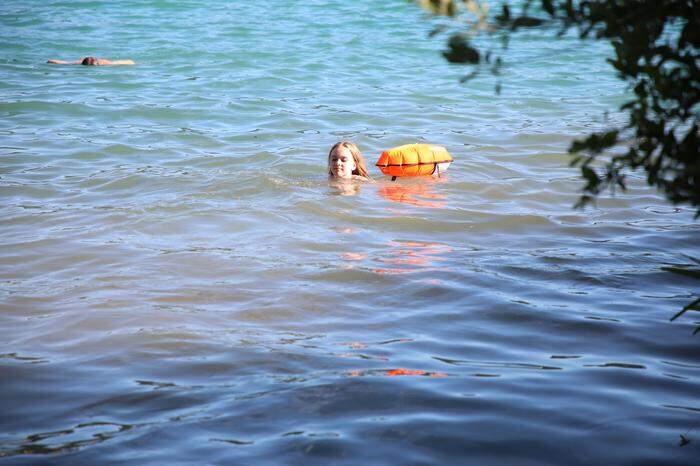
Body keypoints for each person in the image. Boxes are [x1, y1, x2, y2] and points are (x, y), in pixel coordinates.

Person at [47, 57, 135, 66]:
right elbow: (61, 62)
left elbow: (130, 61)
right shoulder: (79, 63)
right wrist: (51, 61)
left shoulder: (103, 63)